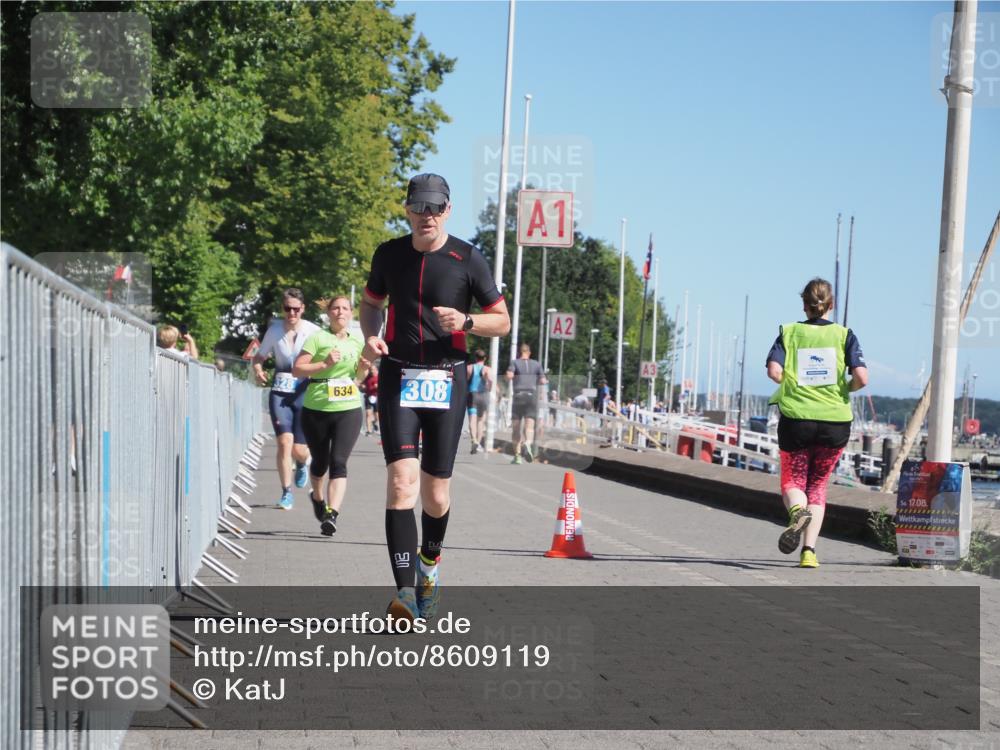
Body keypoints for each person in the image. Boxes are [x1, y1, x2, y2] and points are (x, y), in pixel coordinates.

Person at [360, 173, 510, 620]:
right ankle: (404, 592)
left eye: (435, 208)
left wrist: (466, 322)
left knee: (436, 494)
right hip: (399, 375)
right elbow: (371, 303)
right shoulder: (388, 254)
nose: (427, 216)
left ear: (448, 209)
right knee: (401, 481)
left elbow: (501, 321)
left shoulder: (468, 258)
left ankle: (429, 563)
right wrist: (371, 337)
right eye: (419, 207)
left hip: (448, 378)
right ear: (406, 209)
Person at [766, 277, 868, 568]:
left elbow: (774, 372)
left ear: (804, 305)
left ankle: (797, 511)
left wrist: (794, 385)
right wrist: (844, 389)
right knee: (818, 486)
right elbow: (862, 377)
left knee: (793, 480)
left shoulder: (790, 332)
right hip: (835, 422)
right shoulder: (844, 335)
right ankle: (809, 552)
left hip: (797, 420)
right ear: (830, 305)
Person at [293, 296, 367, 536]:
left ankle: (331, 514)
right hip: (317, 408)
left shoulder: (357, 341)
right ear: (329, 313)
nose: (340, 312)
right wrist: (324, 364)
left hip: (348, 408)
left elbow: (359, 377)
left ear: (350, 314)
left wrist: (365, 368)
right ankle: (317, 496)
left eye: (345, 308)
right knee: (321, 463)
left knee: (339, 462)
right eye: (336, 308)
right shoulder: (318, 338)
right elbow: (298, 369)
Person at [253, 288, 320, 510]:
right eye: (287, 309)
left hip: (304, 392)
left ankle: (302, 463)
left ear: (303, 309)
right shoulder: (274, 331)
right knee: (283, 442)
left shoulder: (313, 331)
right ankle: (286, 492)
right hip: (280, 393)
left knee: (299, 450)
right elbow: (259, 356)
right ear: (282, 309)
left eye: (296, 309)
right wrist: (258, 368)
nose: (291, 313)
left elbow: (326, 357)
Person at [505, 343, 547, 464]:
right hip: (531, 397)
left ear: (520, 352)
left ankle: (517, 456)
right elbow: (543, 380)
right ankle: (528, 442)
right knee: (529, 426)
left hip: (518, 396)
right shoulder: (537, 364)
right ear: (529, 352)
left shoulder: (515, 363)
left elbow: (509, 376)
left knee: (516, 428)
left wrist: (509, 376)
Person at [466, 349, 493, 454]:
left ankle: (474, 439)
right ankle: (478, 442)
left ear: (475, 357)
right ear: (485, 358)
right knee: (480, 420)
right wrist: (489, 388)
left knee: (472, 419)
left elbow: (465, 381)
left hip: (472, 395)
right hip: (483, 395)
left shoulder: (469, 368)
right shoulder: (487, 369)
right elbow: (490, 381)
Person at [362, 364, 380, 435]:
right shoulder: (367, 377)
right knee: (368, 414)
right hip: (368, 397)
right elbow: (362, 385)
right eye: (370, 370)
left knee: (377, 416)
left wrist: (378, 387)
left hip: (377, 397)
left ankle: (374, 422)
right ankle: (369, 430)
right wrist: (363, 386)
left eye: (373, 369)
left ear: (376, 370)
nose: (372, 371)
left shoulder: (379, 377)